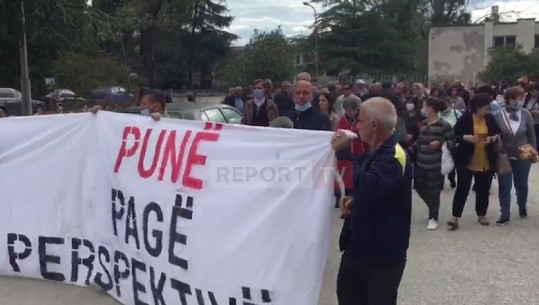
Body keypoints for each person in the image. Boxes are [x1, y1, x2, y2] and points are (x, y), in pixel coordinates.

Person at [332, 97, 412, 305]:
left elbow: (372, 186)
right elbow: (370, 191)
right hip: (358, 246)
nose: (357, 126)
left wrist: (344, 153)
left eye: (360, 121)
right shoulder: (373, 153)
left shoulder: (396, 156)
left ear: (374, 125)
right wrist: (354, 200)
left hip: (382, 255)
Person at [448, 93, 500, 230]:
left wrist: (492, 138)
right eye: (486, 106)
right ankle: (455, 216)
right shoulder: (465, 119)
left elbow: (497, 132)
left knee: (483, 188)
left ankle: (482, 214)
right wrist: (466, 137)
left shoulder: (490, 118)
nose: (489, 108)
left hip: (485, 159)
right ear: (478, 106)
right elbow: (455, 135)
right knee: (462, 188)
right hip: (467, 158)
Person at [494, 86, 537, 225]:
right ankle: (504, 213)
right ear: (511, 99)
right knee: (504, 185)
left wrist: (533, 152)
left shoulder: (526, 114)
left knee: (521, 184)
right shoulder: (498, 115)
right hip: (504, 156)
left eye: (522, 98)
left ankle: (522, 204)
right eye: (519, 98)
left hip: (523, 155)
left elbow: (531, 135)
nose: (521, 101)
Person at [410, 97, 455, 230]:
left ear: (431, 108)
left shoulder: (444, 125)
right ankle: (432, 207)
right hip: (421, 162)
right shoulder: (424, 123)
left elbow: (453, 142)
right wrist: (410, 149)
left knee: (434, 191)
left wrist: (440, 142)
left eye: (425, 106)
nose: (423, 108)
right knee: (418, 186)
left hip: (436, 164)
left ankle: (433, 217)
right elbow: (419, 141)